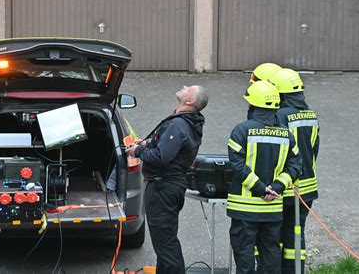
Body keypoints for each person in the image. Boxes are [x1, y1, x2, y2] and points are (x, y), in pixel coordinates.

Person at [125, 85, 208, 274]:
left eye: (189, 88)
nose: (184, 86)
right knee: (165, 241)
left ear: (190, 101)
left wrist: (138, 151)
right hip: (169, 186)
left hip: (163, 188)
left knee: (166, 244)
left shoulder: (178, 125)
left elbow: (161, 157)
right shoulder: (186, 122)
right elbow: (168, 148)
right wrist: (147, 143)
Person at [227, 80, 302, 274]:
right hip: (273, 208)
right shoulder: (286, 134)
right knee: (270, 255)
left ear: (253, 104)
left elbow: (236, 164)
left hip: (244, 209)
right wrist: (277, 187)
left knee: (244, 256)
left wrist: (260, 188)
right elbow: (296, 164)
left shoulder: (241, 130)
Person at [269, 69, 320, 274]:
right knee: (296, 235)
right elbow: (314, 149)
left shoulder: (279, 115)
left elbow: (276, 151)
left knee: (273, 236)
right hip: (307, 189)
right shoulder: (310, 115)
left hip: (286, 187)